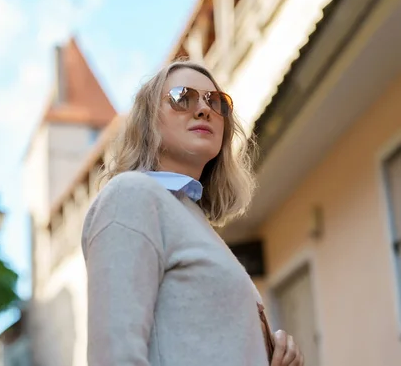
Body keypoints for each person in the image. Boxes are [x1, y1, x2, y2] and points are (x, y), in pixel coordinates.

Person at [81, 60, 304, 366]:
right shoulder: (131, 195)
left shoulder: (193, 220)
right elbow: (114, 357)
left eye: (217, 102)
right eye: (181, 97)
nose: (203, 109)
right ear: (149, 121)